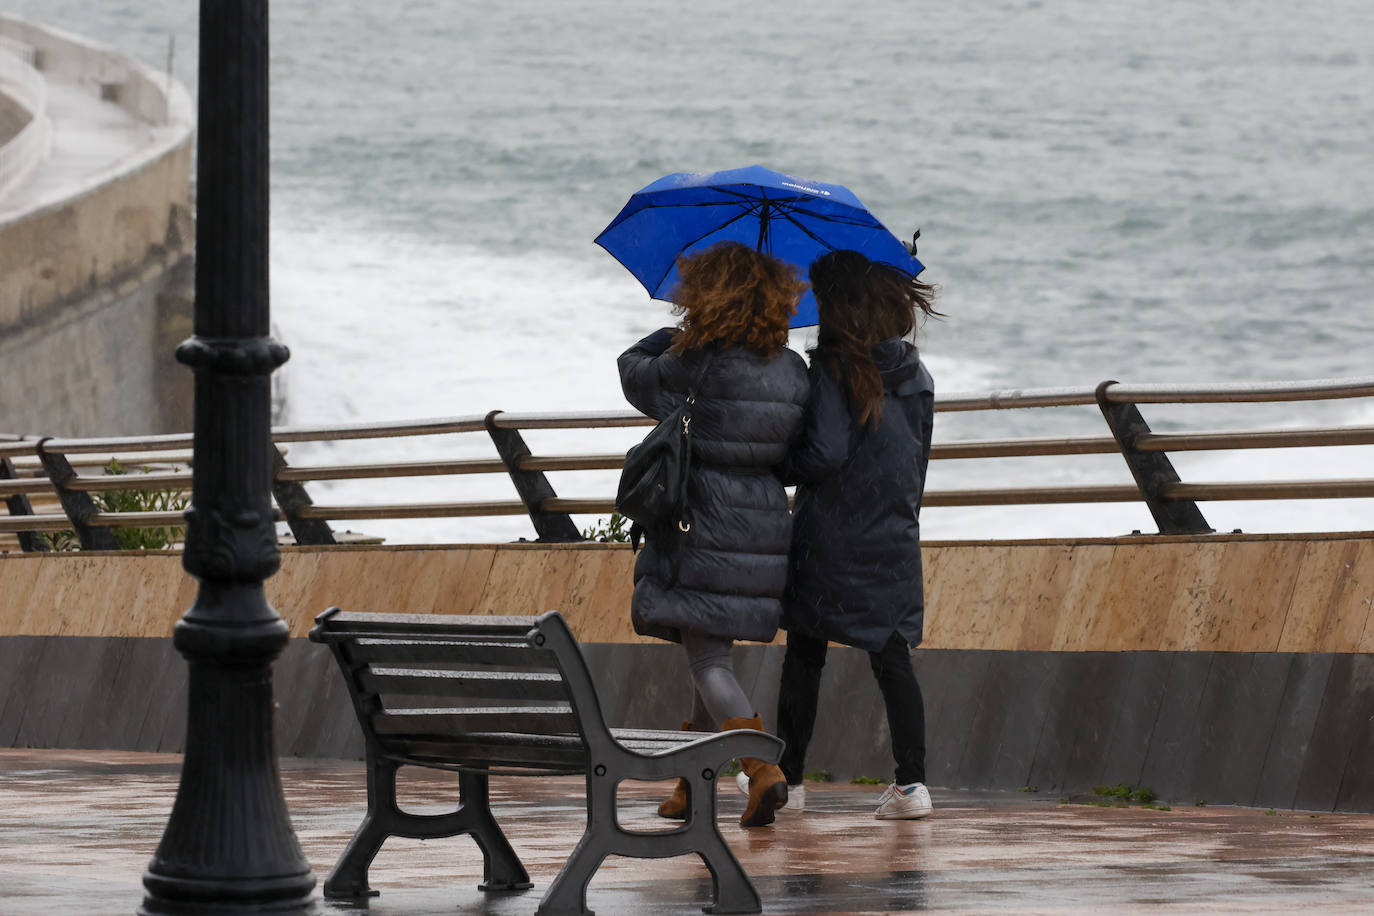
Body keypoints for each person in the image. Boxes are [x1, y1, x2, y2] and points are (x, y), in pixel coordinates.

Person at [617, 240, 810, 828]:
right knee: (710, 653)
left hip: (699, 515)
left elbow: (633, 373)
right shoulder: (793, 369)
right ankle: (690, 785)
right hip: (762, 515)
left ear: (706, 295)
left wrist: (668, 332)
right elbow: (800, 453)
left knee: (708, 663)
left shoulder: (693, 361)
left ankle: (760, 770)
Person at [766, 248, 941, 820]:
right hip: (892, 532)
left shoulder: (835, 370)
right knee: (891, 656)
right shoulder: (917, 374)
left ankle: (790, 782)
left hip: (831, 533)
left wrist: (779, 465)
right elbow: (919, 460)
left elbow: (823, 452)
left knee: (806, 652)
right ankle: (913, 786)